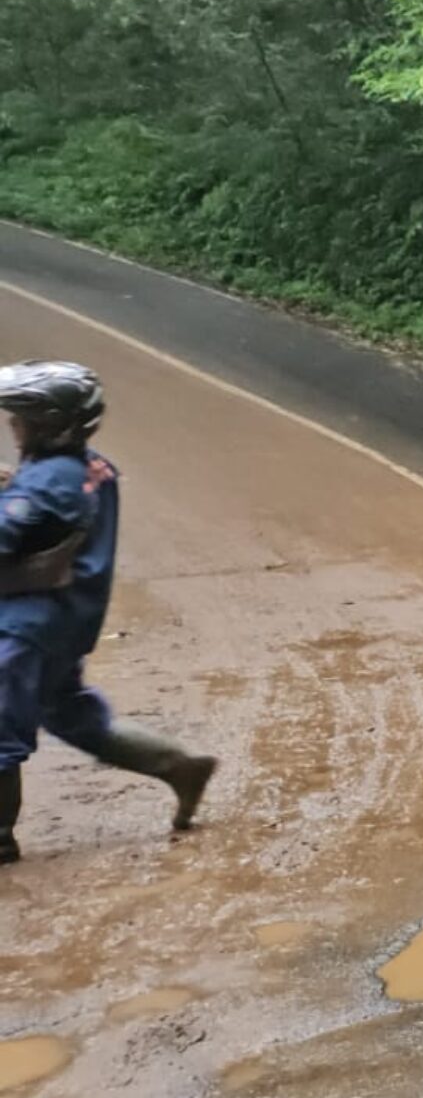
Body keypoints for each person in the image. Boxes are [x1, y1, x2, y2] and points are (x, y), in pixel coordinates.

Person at [0, 361, 217, 866]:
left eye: (22, 419)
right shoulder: (91, 466)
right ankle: (178, 765)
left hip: (28, 623)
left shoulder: (46, 485)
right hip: (66, 619)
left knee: (2, 726)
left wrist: (15, 495)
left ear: (52, 424)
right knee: (69, 713)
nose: (14, 426)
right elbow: (50, 508)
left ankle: (1, 838)